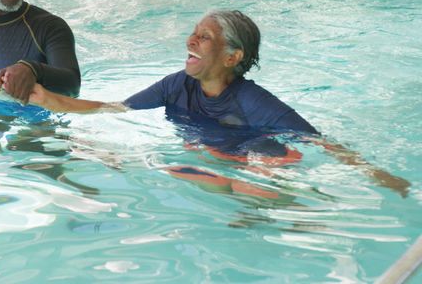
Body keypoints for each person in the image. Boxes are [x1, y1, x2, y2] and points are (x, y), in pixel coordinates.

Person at [23, 10, 411, 198]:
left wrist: (387, 180)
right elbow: (115, 108)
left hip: (259, 157)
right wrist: (49, 99)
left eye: (204, 37)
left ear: (231, 57)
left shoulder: (253, 102)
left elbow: (321, 142)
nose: (190, 41)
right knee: (126, 158)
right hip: (210, 153)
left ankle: (298, 214)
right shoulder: (177, 85)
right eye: (193, 34)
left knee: (250, 190)